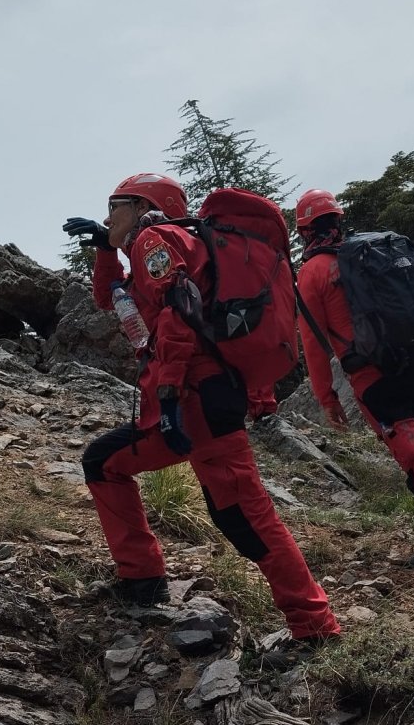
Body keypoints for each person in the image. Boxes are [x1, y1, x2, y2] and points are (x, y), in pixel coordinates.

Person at [62, 173, 341, 644]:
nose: (108, 215)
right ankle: (141, 578)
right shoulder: (161, 242)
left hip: (195, 398)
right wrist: (105, 248)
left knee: (246, 516)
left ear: (143, 205)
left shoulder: (157, 238)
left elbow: (176, 314)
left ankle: (315, 627)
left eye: (116, 205)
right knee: (106, 463)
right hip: (198, 398)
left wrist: (169, 395)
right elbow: (111, 298)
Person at [294, 188, 414, 571]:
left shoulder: (312, 273)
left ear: (303, 230)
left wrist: (326, 397)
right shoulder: (372, 254)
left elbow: (315, 345)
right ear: (338, 219)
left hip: (373, 375)